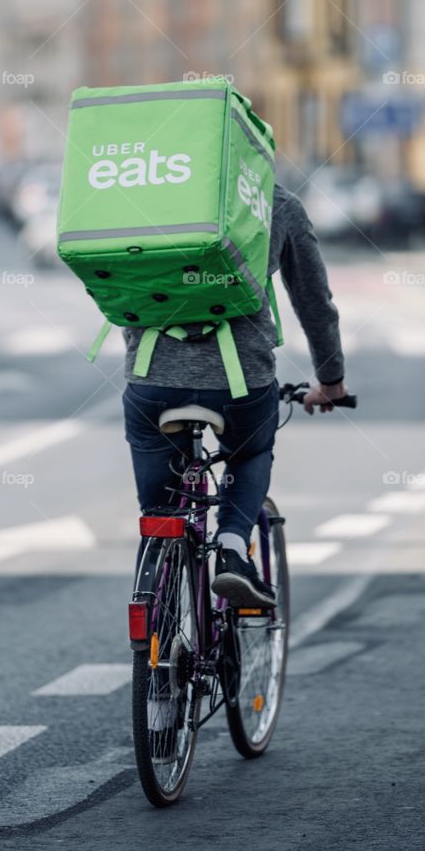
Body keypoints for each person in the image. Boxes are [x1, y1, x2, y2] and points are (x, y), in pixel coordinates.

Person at [122, 180, 347, 610]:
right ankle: (230, 548)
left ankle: (155, 639)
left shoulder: (145, 189)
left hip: (151, 380)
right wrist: (331, 380)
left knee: (160, 517)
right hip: (241, 383)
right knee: (248, 453)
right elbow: (314, 302)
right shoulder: (274, 201)